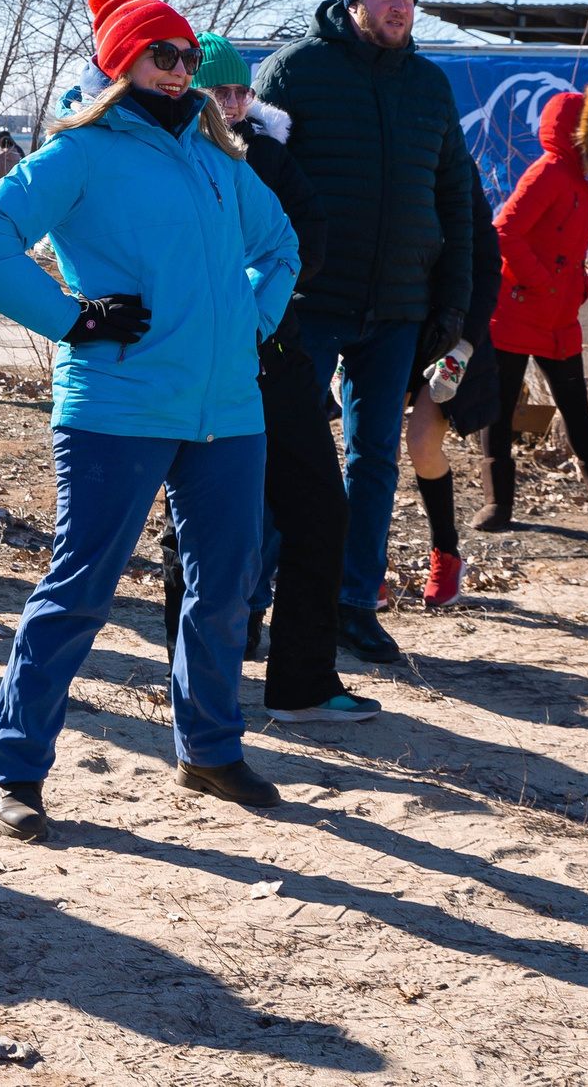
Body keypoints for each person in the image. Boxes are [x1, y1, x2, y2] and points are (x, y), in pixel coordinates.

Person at [0, 0, 299, 843]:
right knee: (82, 589)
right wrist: (73, 317)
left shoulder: (220, 160)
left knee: (224, 590)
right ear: (120, 63)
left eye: (188, 56)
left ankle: (210, 749)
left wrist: (251, 322)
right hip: (117, 404)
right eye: (163, 55)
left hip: (228, 412)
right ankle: (18, 768)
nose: (182, 71)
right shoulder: (83, 154)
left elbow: (280, 247)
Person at [251, 0, 473, 667]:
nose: (400, 7)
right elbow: (255, 185)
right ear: (352, 2)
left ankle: (352, 602)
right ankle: (249, 600)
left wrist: (453, 300)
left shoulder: (432, 87)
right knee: (282, 452)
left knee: (374, 455)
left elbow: (456, 201)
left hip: (398, 308)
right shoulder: (294, 71)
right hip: (308, 301)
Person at [171, 37, 378, 721]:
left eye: (239, 92)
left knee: (322, 510)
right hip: (186, 364)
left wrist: (256, 311)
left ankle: (302, 682)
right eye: (217, 90)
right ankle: (195, 682)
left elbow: (306, 239)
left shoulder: (265, 158)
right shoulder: (161, 159)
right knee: (196, 524)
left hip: (273, 352)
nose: (231, 104)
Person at [479, 85, 588, 533]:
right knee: (499, 409)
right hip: (516, 312)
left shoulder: (579, 178)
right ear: (579, 130)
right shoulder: (550, 171)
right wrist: (540, 281)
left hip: (557, 318)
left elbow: (563, 245)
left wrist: (579, 280)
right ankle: (498, 505)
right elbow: (504, 230)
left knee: (576, 408)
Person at [402, 168, 505, 609]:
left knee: (423, 443)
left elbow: (487, 268)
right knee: (367, 447)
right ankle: (361, 565)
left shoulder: (460, 180)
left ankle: (446, 552)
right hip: (385, 322)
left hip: (450, 332)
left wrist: (463, 348)